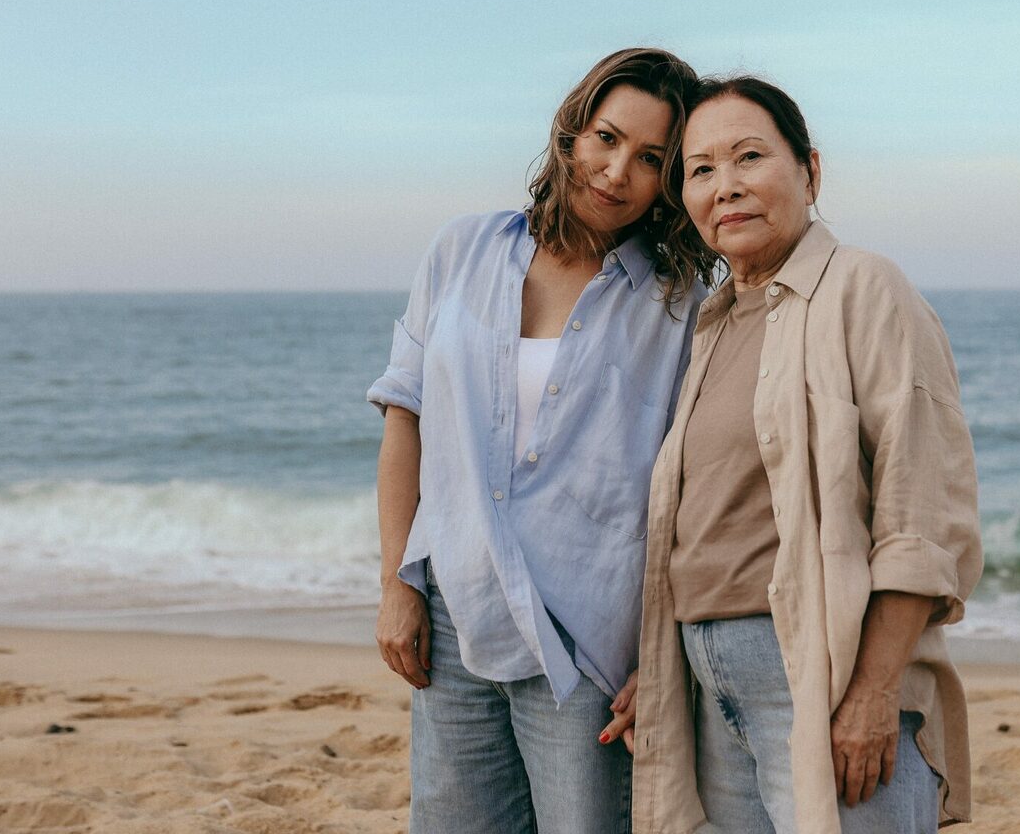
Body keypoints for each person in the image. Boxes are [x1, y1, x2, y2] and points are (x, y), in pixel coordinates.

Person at [367, 48, 713, 834]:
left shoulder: (677, 303)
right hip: (455, 616)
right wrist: (397, 584)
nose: (618, 171)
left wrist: (662, 661)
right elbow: (404, 418)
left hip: (591, 641)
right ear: (570, 132)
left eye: (651, 159)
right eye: (606, 137)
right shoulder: (460, 251)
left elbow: (689, 494)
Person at [630, 76, 983, 834]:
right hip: (707, 678)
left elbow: (922, 513)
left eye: (749, 157)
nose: (726, 187)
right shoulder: (714, 322)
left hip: (819, 673)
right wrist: (659, 672)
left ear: (810, 171)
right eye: (701, 170)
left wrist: (875, 691)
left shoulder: (864, 288)